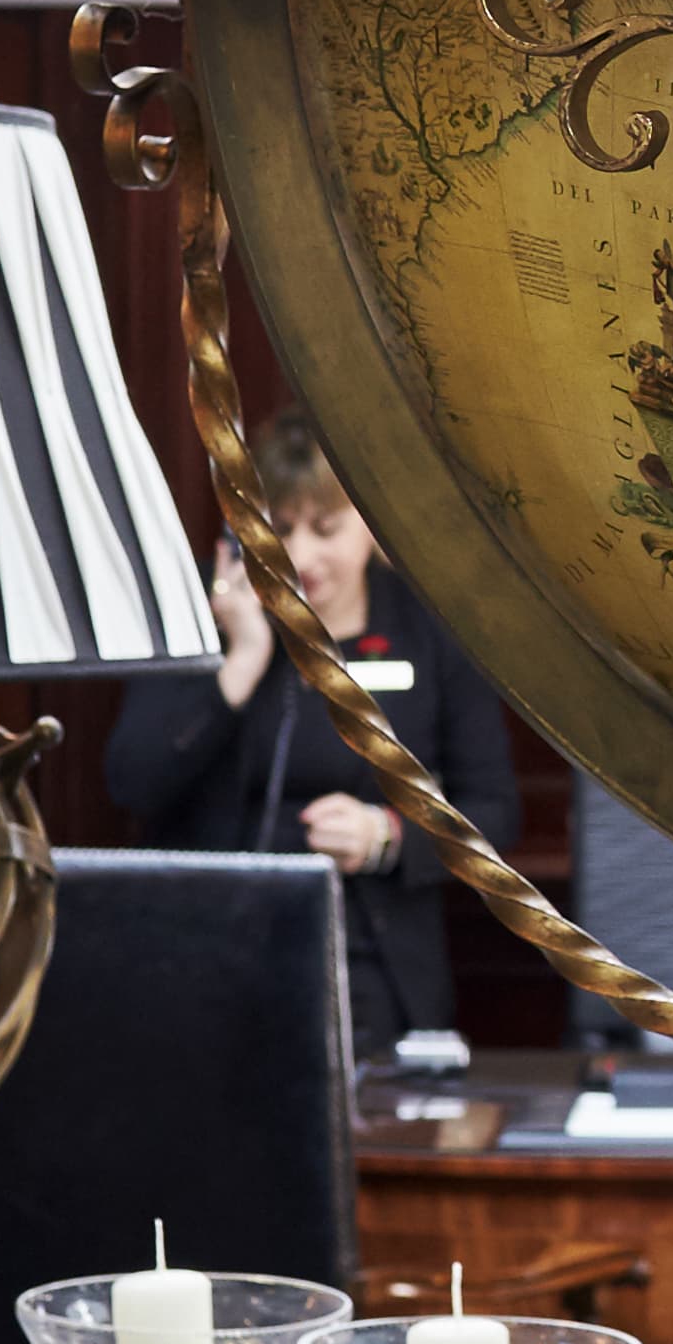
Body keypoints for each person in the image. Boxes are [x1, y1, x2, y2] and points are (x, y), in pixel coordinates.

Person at [106, 414, 516, 1058]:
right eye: (281, 527)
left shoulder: (430, 629)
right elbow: (133, 782)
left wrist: (389, 835)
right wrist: (241, 663)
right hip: (218, 962)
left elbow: (494, 812)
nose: (301, 555)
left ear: (372, 525)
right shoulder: (201, 621)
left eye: (326, 529)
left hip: (377, 971)